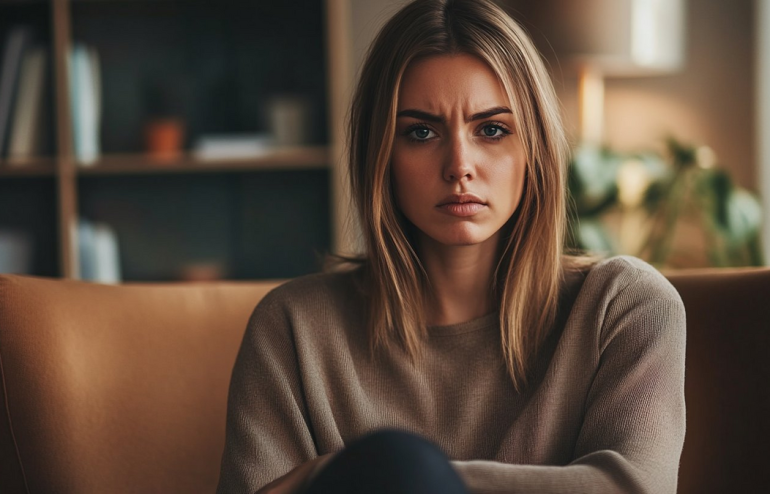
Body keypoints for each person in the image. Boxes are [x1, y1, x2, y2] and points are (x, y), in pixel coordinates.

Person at [216, 0, 686, 493]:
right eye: (420, 132)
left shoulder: (623, 306)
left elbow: (633, 488)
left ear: (536, 148)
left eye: (492, 129)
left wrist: (368, 476)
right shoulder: (294, 328)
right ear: (381, 155)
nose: (459, 164)